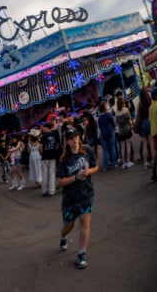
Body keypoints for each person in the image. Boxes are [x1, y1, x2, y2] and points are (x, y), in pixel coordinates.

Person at [56, 126, 99, 270]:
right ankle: (62, 237)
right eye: (70, 138)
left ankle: (81, 255)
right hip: (70, 199)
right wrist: (76, 177)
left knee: (84, 224)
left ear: (79, 137)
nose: (74, 140)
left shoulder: (87, 150)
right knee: (69, 226)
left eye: (75, 137)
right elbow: (60, 182)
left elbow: (96, 167)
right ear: (66, 142)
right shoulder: (63, 159)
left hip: (86, 194)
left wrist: (88, 172)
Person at [40, 116, 61, 196]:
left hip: (45, 157)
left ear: (47, 127)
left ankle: (44, 191)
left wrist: (42, 153)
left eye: (44, 127)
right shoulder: (55, 135)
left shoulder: (44, 136)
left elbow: (40, 147)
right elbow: (57, 145)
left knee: (45, 174)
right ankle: (52, 191)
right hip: (53, 156)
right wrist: (54, 150)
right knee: (52, 174)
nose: (43, 128)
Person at [114, 96, 133, 168]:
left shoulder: (116, 112)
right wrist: (131, 125)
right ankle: (128, 161)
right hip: (127, 129)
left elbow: (116, 122)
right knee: (128, 145)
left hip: (120, 131)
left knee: (122, 147)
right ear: (123, 102)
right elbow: (129, 121)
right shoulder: (126, 110)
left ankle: (124, 163)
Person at [97, 101, 117, 171]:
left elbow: (99, 126)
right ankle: (114, 164)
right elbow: (113, 123)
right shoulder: (109, 114)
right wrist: (113, 128)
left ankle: (105, 167)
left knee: (105, 151)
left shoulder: (99, 118)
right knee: (112, 148)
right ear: (105, 107)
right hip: (110, 133)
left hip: (103, 135)